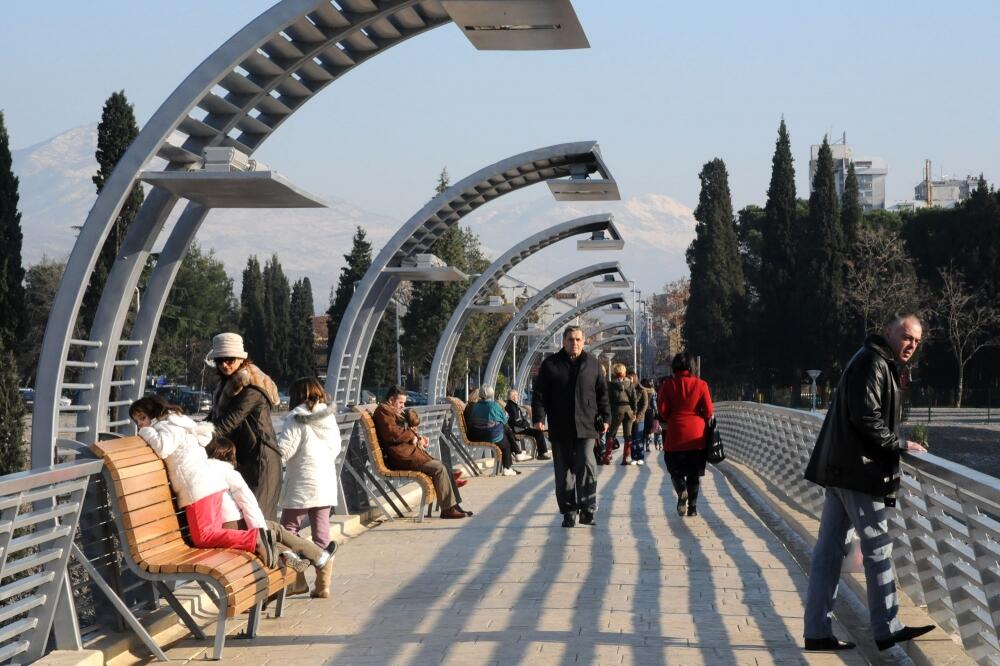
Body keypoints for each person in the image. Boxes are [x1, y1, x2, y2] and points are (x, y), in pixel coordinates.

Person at [802, 314, 935, 652]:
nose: (911, 346)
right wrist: (900, 445)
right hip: (858, 471)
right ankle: (886, 628)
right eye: (906, 337)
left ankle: (817, 632)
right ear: (888, 332)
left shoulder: (870, 360)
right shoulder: (873, 362)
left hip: (841, 468)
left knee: (828, 554)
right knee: (878, 549)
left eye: (917, 341)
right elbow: (866, 418)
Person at [207, 437, 337, 598]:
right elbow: (249, 504)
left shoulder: (204, 473)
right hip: (231, 527)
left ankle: (299, 560)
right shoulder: (228, 473)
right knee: (274, 530)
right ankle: (316, 557)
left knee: (274, 530)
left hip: (221, 526)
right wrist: (259, 530)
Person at [531, 325, 610, 528]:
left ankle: (588, 509)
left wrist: (606, 417)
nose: (574, 343)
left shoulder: (593, 364)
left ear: (584, 342)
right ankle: (568, 511)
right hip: (560, 426)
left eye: (578, 339)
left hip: (587, 425)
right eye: (570, 339)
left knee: (587, 465)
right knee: (564, 473)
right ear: (563, 342)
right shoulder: (550, 365)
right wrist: (539, 417)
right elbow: (539, 395)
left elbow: (602, 394)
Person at [205, 332, 282, 520]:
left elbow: (229, 422)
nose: (224, 364)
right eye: (219, 360)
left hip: (261, 460)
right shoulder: (226, 386)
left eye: (229, 359)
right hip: (244, 459)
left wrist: (199, 436)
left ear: (241, 358)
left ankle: (306, 550)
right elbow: (213, 418)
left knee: (260, 522)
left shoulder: (252, 388)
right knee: (249, 521)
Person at [276, 378, 342, 595]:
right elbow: (336, 448)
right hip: (325, 482)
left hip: (301, 484)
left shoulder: (297, 417)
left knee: (287, 534)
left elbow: (286, 450)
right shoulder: (329, 417)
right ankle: (323, 585)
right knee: (321, 535)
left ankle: (297, 579)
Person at [373, 385, 471, 519]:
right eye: (400, 402)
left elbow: (401, 432)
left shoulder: (390, 410)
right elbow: (393, 434)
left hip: (408, 454)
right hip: (402, 457)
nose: (403, 405)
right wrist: (413, 436)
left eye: (404, 402)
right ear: (391, 399)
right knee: (439, 468)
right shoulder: (383, 412)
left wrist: (418, 438)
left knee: (444, 467)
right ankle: (448, 509)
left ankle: (455, 506)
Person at [657, 352, 713, 517]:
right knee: (694, 474)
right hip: (697, 436)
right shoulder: (701, 385)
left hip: (675, 433)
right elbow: (709, 411)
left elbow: (663, 409)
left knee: (675, 469)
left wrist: (671, 417)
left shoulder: (668, 385)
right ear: (692, 366)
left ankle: (681, 490)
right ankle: (693, 509)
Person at [405, 408, 467, 488]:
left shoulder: (413, 432)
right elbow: (412, 444)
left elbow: (419, 444)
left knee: (439, 464)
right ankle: (452, 481)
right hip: (416, 461)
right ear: (407, 425)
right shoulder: (407, 434)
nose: (415, 429)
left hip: (421, 457)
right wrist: (418, 440)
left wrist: (424, 442)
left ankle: (452, 479)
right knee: (438, 467)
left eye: (416, 427)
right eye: (413, 426)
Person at [466, 386, 519, 475]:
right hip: (491, 435)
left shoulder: (475, 406)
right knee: (506, 443)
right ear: (491, 394)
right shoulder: (494, 405)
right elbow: (505, 420)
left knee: (505, 430)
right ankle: (508, 467)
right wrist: (505, 415)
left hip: (475, 435)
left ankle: (516, 454)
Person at [605, 363, 637, 466]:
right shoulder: (630, 384)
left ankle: (608, 456)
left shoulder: (611, 385)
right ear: (624, 372)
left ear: (615, 372)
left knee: (611, 434)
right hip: (628, 411)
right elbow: (634, 399)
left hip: (616, 410)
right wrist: (634, 411)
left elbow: (609, 400)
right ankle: (626, 458)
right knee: (628, 435)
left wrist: (608, 413)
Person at [506, 390, 550, 460]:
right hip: (518, 429)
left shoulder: (511, 405)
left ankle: (541, 453)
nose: (518, 397)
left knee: (538, 432)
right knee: (538, 433)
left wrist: (525, 423)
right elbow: (515, 420)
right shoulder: (512, 406)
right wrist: (526, 425)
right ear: (513, 397)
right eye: (517, 395)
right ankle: (541, 454)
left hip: (518, 427)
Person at [629, 372, 647, 465]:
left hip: (640, 418)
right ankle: (634, 457)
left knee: (638, 438)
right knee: (632, 438)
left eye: (630, 378)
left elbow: (645, 405)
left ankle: (640, 456)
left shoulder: (642, 390)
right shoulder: (628, 389)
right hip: (630, 417)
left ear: (635, 378)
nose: (629, 379)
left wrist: (639, 416)